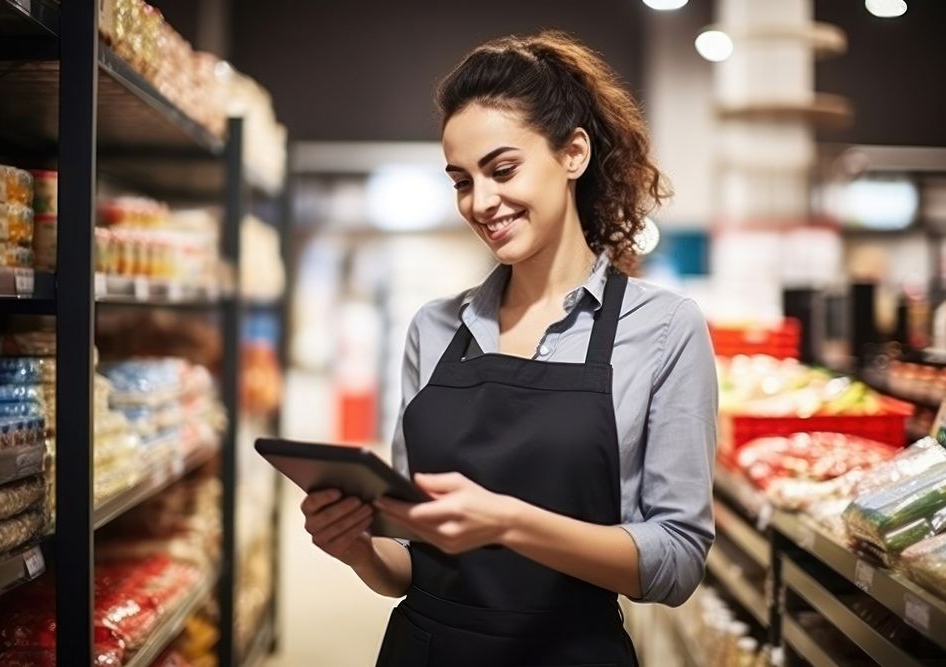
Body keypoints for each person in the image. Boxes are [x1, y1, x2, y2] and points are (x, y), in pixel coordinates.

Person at [300, 30, 717, 666]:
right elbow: (410, 561)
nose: (481, 202)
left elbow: (677, 561)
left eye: (502, 170)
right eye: (461, 181)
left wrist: (509, 523)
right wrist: (357, 545)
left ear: (573, 152)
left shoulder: (662, 329)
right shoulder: (434, 330)